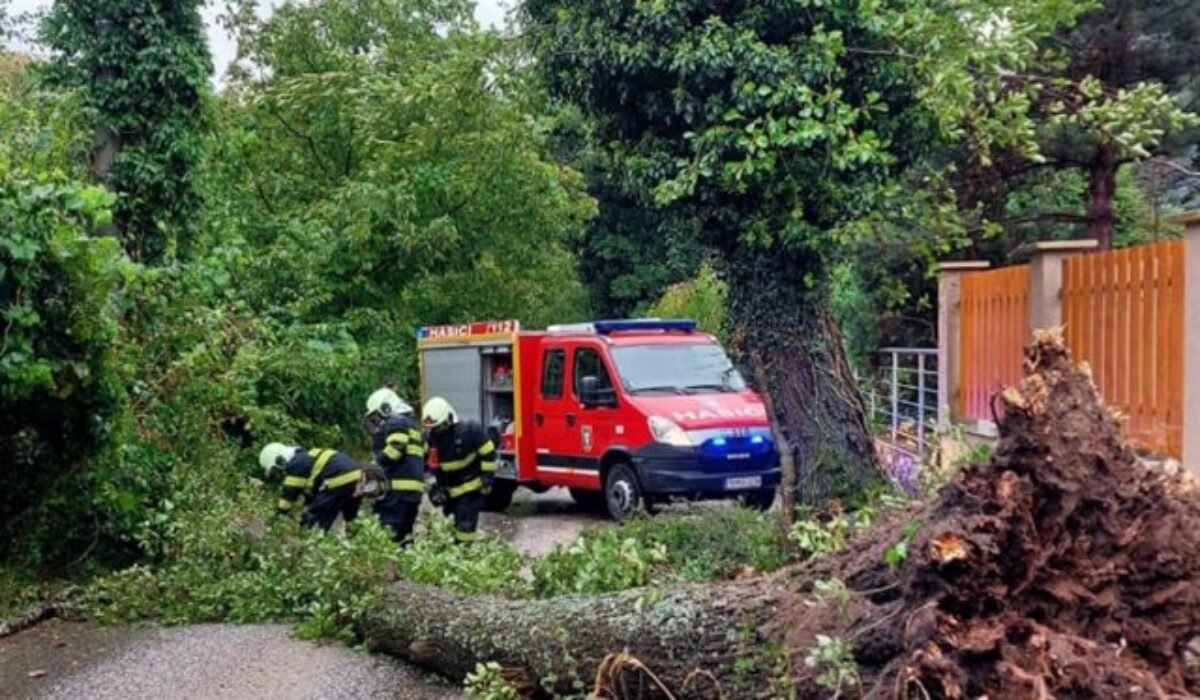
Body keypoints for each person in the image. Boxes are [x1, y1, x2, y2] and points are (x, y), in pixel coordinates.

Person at [421, 397, 497, 544]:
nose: (436, 431)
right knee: (450, 527)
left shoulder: (470, 431)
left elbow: (488, 453)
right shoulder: (432, 439)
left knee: (465, 529)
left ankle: (464, 556)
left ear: (449, 419)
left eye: (439, 427)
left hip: (470, 489)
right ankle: (454, 555)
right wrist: (434, 487)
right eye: (433, 428)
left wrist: (487, 479)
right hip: (449, 492)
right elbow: (429, 466)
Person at [363, 387, 426, 544]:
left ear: (386, 408)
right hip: (413, 494)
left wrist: (374, 465)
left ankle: (389, 569)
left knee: (387, 537)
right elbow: (424, 451)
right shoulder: (414, 427)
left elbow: (396, 447)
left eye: (376, 417)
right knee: (404, 536)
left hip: (396, 493)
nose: (377, 422)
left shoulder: (396, 422)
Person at [259, 443, 362, 531]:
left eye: (276, 470)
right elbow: (312, 490)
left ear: (280, 460)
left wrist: (279, 514)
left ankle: (307, 540)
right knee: (335, 514)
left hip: (339, 478)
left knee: (315, 516)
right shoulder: (305, 458)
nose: (279, 473)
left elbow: (290, 493)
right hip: (355, 477)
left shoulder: (295, 463)